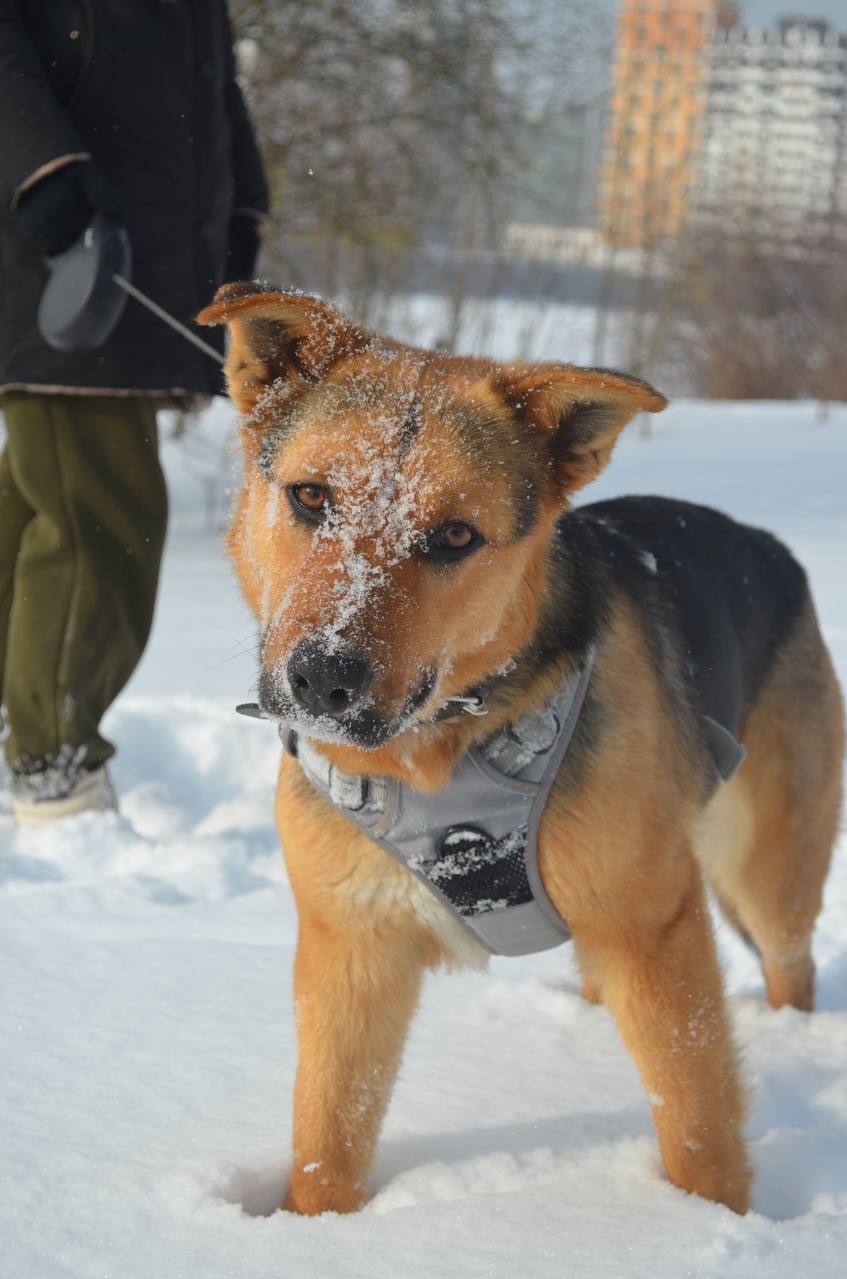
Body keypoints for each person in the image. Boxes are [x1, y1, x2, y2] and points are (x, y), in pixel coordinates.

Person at [0, 1, 269, 826]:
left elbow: (206, 79)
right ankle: (54, 770)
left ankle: (31, 734)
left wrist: (238, 208)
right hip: (56, 249)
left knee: (35, 503)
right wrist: (42, 170)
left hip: (136, 251)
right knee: (102, 517)